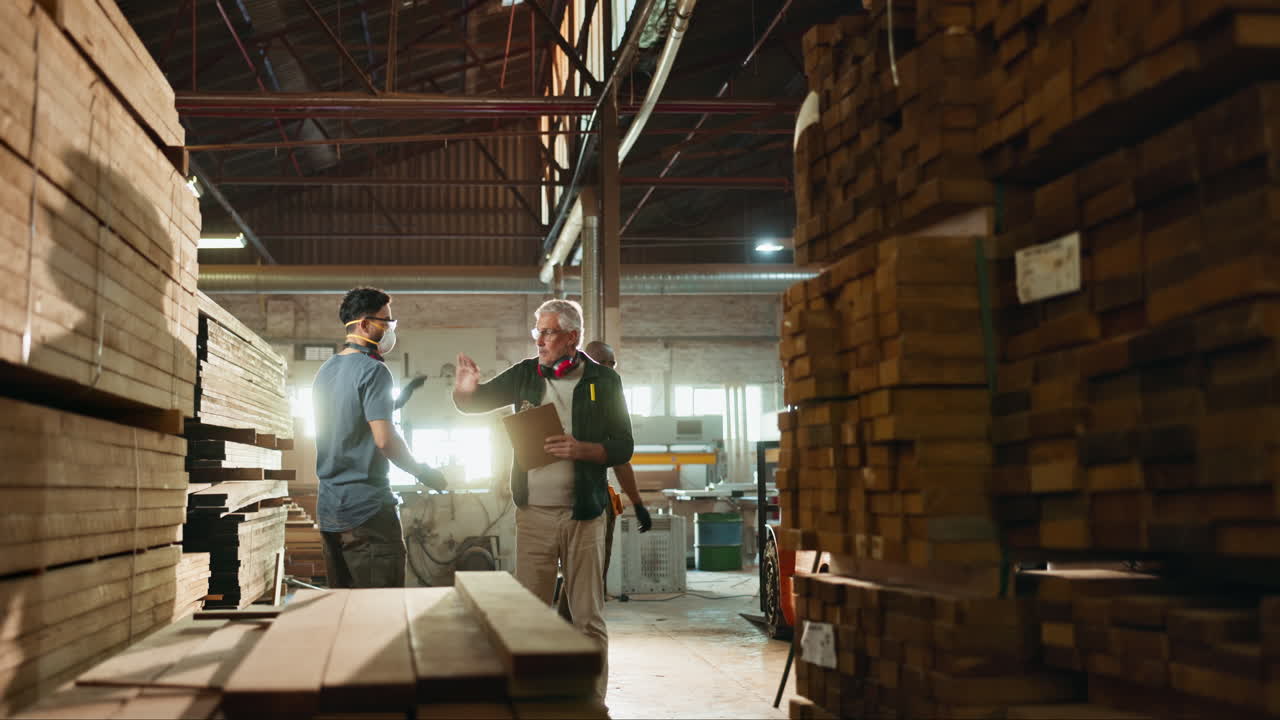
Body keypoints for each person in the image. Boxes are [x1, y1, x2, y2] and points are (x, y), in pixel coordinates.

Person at [452, 299, 633, 701]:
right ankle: (531, 702)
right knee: (528, 616)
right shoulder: (525, 375)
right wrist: (464, 391)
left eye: (548, 332)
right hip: (533, 517)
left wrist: (581, 449)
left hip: (584, 518)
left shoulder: (603, 382)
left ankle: (591, 703)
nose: (540, 341)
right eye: (537, 332)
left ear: (572, 337)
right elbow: (475, 402)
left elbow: (623, 447)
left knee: (587, 618)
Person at [313, 287, 447, 588]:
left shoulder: (326, 371)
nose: (389, 328)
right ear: (363, 324)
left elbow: (349, 419)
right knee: (381, 614)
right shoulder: (374, 370)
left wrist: (399, 400)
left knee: (345, 614)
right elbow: (385, 441)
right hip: (367, 514)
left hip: (330, 512)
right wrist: (423, 472)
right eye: (385, 321)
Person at [557, 340, 651, 622]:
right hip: (562, 501)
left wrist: (638, 503)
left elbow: (620, 457)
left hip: (597, 501)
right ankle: (568, 633)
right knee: (578, 575)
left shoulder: (609, 404)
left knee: (591, 574)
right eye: (604, 363)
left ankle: (571, 633)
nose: (610, 369)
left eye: (612, 364)